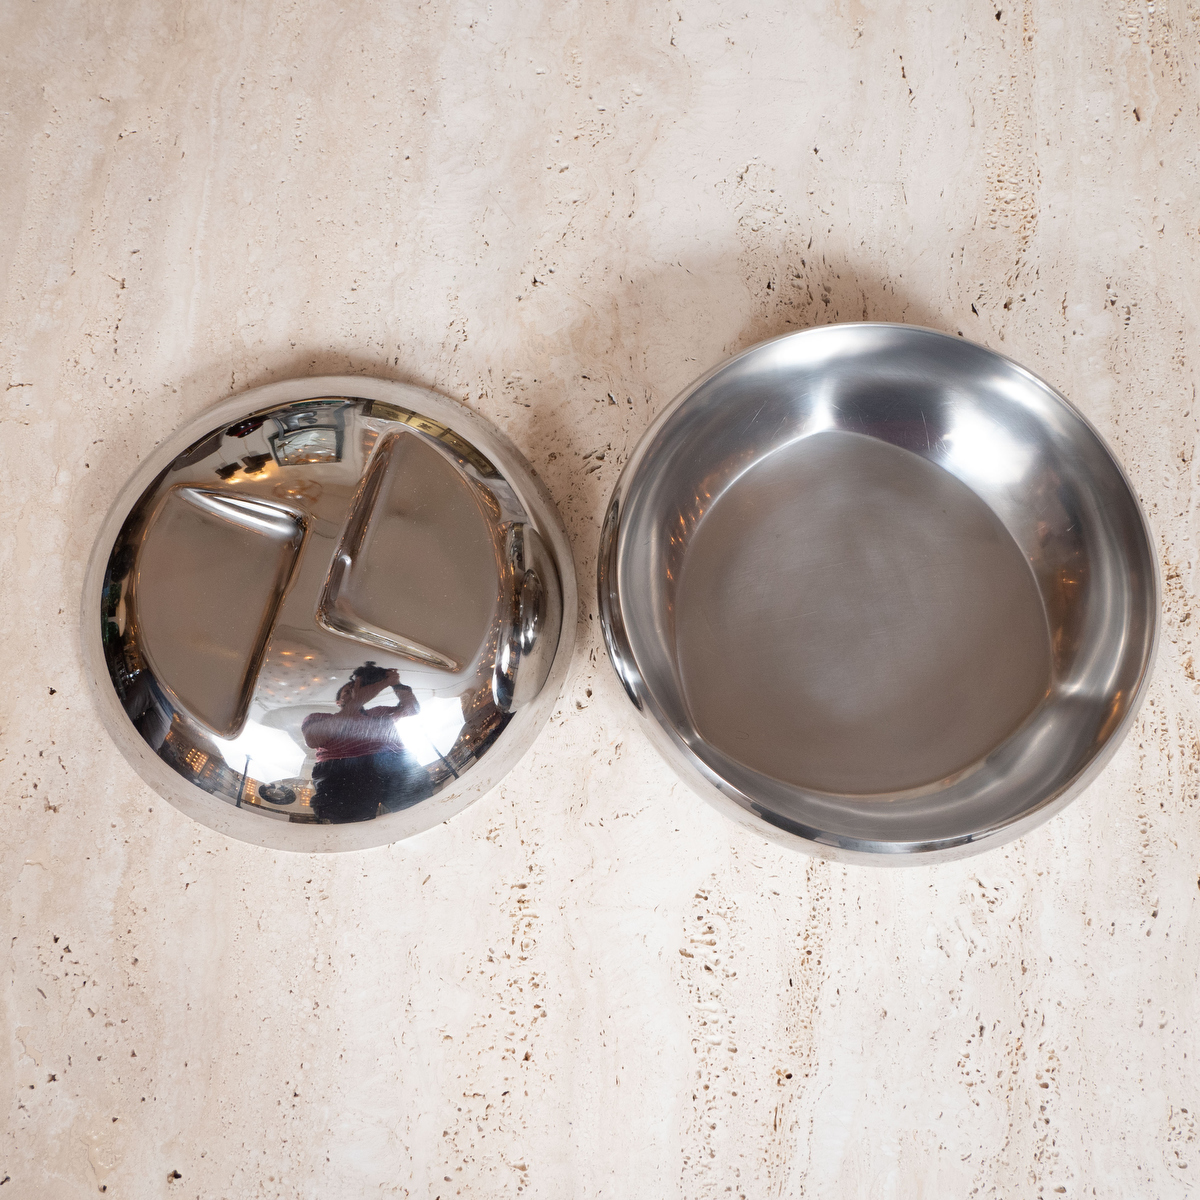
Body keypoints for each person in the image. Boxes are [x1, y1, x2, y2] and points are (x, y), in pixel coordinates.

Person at [300, 665, 434, 823]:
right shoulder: (320, 717)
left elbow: (412, 709)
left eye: (357, 688)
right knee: (350, 823)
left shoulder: (379, 711)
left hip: (392, 760)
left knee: (421, 810)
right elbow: (313, 739)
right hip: (341, 768)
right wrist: (358, 700)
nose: (354, 692)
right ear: (338, 702)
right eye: (347, 691)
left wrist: (394, 683)